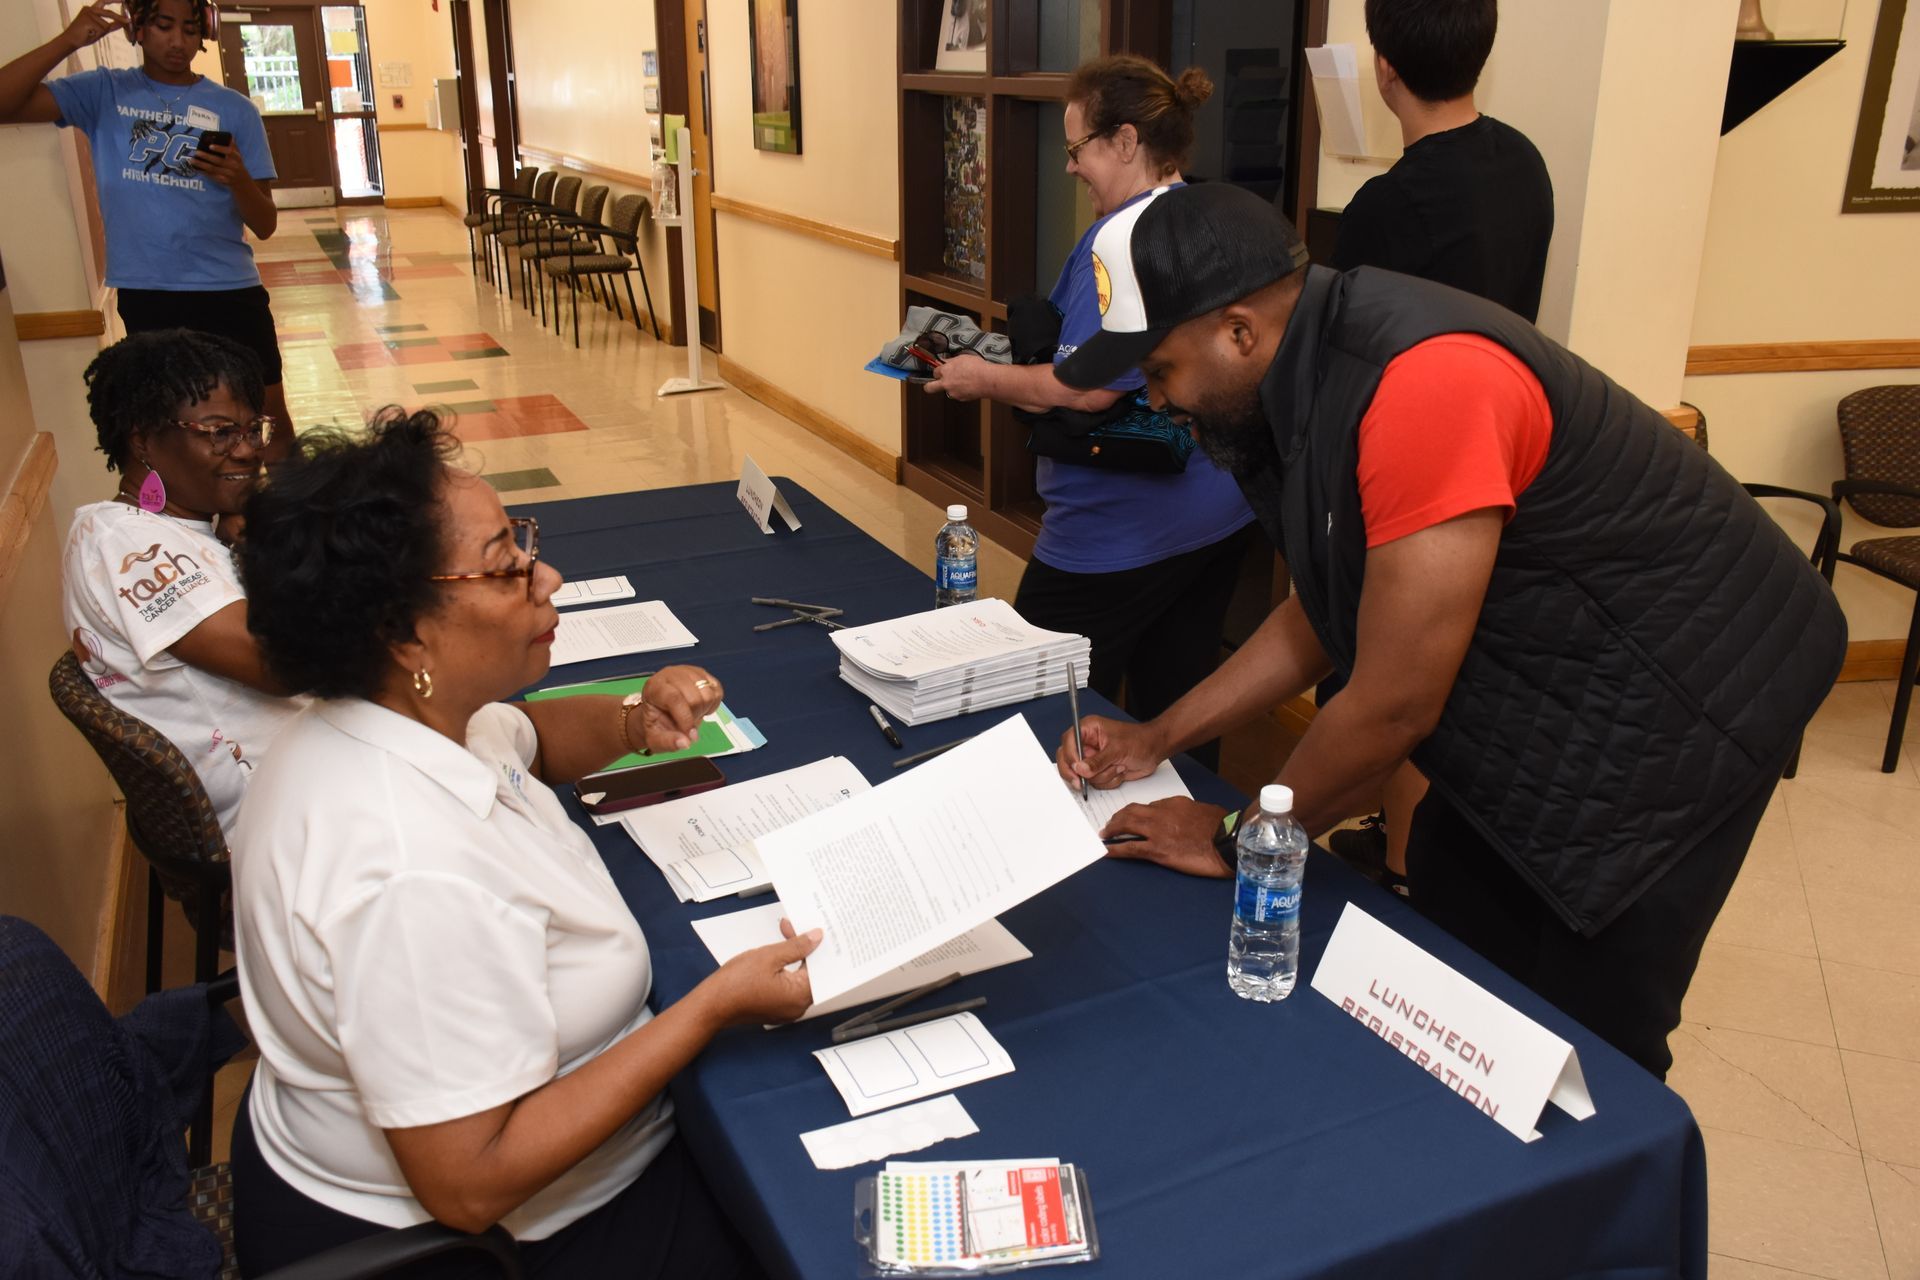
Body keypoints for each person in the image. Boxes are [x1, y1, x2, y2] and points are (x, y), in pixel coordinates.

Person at [1051, 182, 1845, 1079]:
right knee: (1455, 932)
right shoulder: (1306, 377)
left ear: (1239, 332)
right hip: (1550, 684)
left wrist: (1236, 837)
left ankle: (1600, 1186)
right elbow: (1331, 607)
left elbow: (1392, 701)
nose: (1157, 402)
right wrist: (1160, 735)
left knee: (1587, 1019)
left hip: (1688, 701)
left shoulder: (1422, 380)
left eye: (1159, 372)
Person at [228, 411, 820, 1275]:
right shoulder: (408, 868)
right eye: (507, 565)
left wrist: (631, 719)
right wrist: (709, 1009)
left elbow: (528, 739)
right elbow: (470, 1183)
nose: (548, 576)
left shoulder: (395, 715)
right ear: (404, 630)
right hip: (509, 1239)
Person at [923, 55, 1257, 768]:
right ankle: (1177, 831)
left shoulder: (1125, 238)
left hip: (1117, 535)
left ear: (1127, 142)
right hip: (1218, 512)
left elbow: (1087, 389)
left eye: (1077, 149)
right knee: (1179, 710)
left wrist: (981, 378)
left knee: (1046, 712)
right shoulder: (1201, 214)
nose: (1069, 167)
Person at [1325, 0, 1556, 891]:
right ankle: (1409, 843)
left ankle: (1403, 868)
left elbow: (1365, 356)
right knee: (1460, 667)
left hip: (1425, 455)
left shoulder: (1384, 208)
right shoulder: (1524, 164)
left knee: (1403, 671)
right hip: (1513, 444)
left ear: (1383, 66)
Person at [0, 0, 294, 440]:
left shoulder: (236, 110)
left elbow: (266, 223)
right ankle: (210, 511)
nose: (178, 41)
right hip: (149, 294)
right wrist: (67, 41)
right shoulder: (103, 93)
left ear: (205, 34)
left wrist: (238, 180)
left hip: (229, 290)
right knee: (174, 429)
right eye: (163, 25)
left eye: (191, 29)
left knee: (265, 422)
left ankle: (291, 510)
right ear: (136, 27)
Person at [62, 329, 299, 835]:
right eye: (219, 432)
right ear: (144, 439)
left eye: (251, 429)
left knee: (494, 727)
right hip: (274, 810)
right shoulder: (123, 541)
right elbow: (286, 665)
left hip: (305, 759)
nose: (248, 451)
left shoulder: (181, 526)